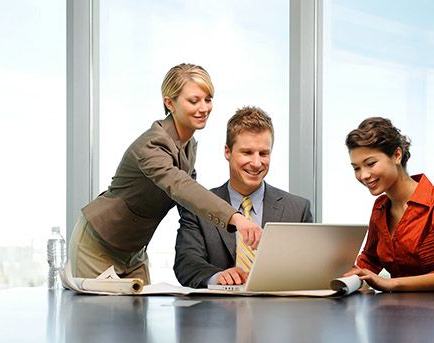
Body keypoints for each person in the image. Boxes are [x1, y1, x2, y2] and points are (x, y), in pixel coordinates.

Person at [68, 63, 262, 284]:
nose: (204, 108)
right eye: (193, 100)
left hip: (135, 250)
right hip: (99, 244)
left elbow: (191, 203)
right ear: (169, 102)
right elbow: (181, 187)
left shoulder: (189, 145)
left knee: (138, 316)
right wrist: (237, 218)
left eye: (208, 99)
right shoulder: (152, 144)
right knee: (99, 316)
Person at [174, 106, 313, 288]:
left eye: (263, 153)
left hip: (279, 312)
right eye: (247, 152)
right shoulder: (198, 207)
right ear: (227, 152)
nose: (256, 163)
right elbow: (186, 263)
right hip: (216, 313)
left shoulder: (297, 209)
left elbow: (308, 267)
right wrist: (217, 277)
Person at [344, 117, 434, 294]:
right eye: (356, 168)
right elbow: (370, 260)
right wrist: (343, 280)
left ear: (397, 155)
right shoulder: (380, 207)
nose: (363, 175)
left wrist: (389, 283)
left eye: (371, 163)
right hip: (397, 315)